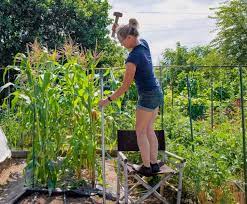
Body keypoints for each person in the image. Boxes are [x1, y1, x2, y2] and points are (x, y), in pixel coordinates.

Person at [98, 18, 164, 177]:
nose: (121, 45)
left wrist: (107, 100)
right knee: (149, 129)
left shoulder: (132, 59)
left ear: (128, 38)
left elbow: (125, 86)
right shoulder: (143, 43)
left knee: (140, 131)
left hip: (147, 95)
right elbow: (131, 30)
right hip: (157, 92)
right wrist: (117, 30)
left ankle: (146, 167)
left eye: (122, 42)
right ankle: (154, 164)